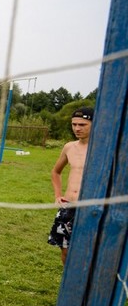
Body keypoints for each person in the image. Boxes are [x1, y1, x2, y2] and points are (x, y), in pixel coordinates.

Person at [47, 107, 93, 265]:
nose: (77, 128)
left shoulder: (103, 150)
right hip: (68, 206)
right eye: (74, 124)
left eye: (82, 124)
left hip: (90, 208)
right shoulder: (69, 147)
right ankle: (69, 286)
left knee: (87, 251)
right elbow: (55, 172)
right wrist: (58, 195)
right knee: (66, 251)